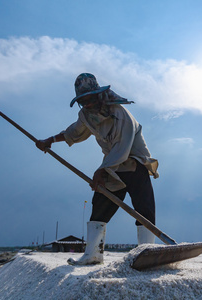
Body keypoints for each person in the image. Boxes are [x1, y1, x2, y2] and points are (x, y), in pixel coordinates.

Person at [36, 73, 159, 265]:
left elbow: (122, 149)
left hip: (135, 164)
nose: (87, 104)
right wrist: (50, 140)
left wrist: (100, 171)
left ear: (99, 95)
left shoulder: (120, 115)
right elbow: (74, 132)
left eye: (90, 99)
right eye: (82, 101)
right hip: (112, 167)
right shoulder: (86, 115)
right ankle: (93, 254)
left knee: (144, 210)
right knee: (100, 206)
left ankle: (147, 252)